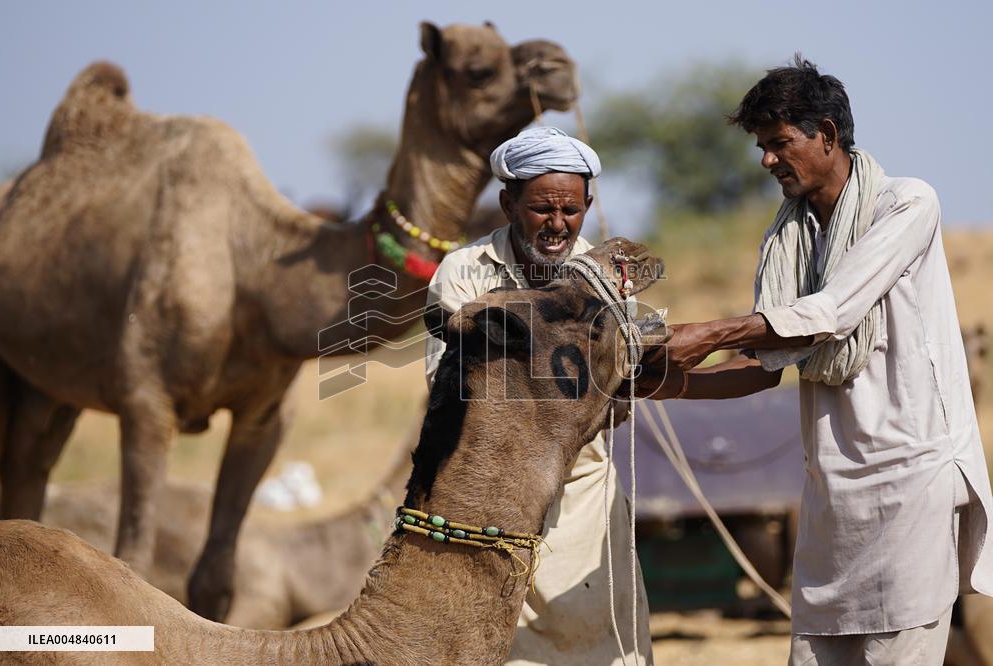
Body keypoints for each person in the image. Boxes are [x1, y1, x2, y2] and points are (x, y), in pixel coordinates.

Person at [640, 57, 993, 665]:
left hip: (909, 486)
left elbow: (831, 311)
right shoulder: (787, 238)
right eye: (762, 145)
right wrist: (658, 386)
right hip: (831, 498)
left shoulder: (906, 204)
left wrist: (707, 332)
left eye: (779, 143)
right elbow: (766, 362)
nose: (767, 160)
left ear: (827, 135)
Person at [424, 126, 653, 666]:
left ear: (587, 206)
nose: (557, 225)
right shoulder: (463, 273)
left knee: (601, 642)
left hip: (583, 491)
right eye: (542, 209)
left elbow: (620, 396)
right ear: (508, 203)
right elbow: (450, 391)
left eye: (571, 211)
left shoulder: (609, 279)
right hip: (490, 495)